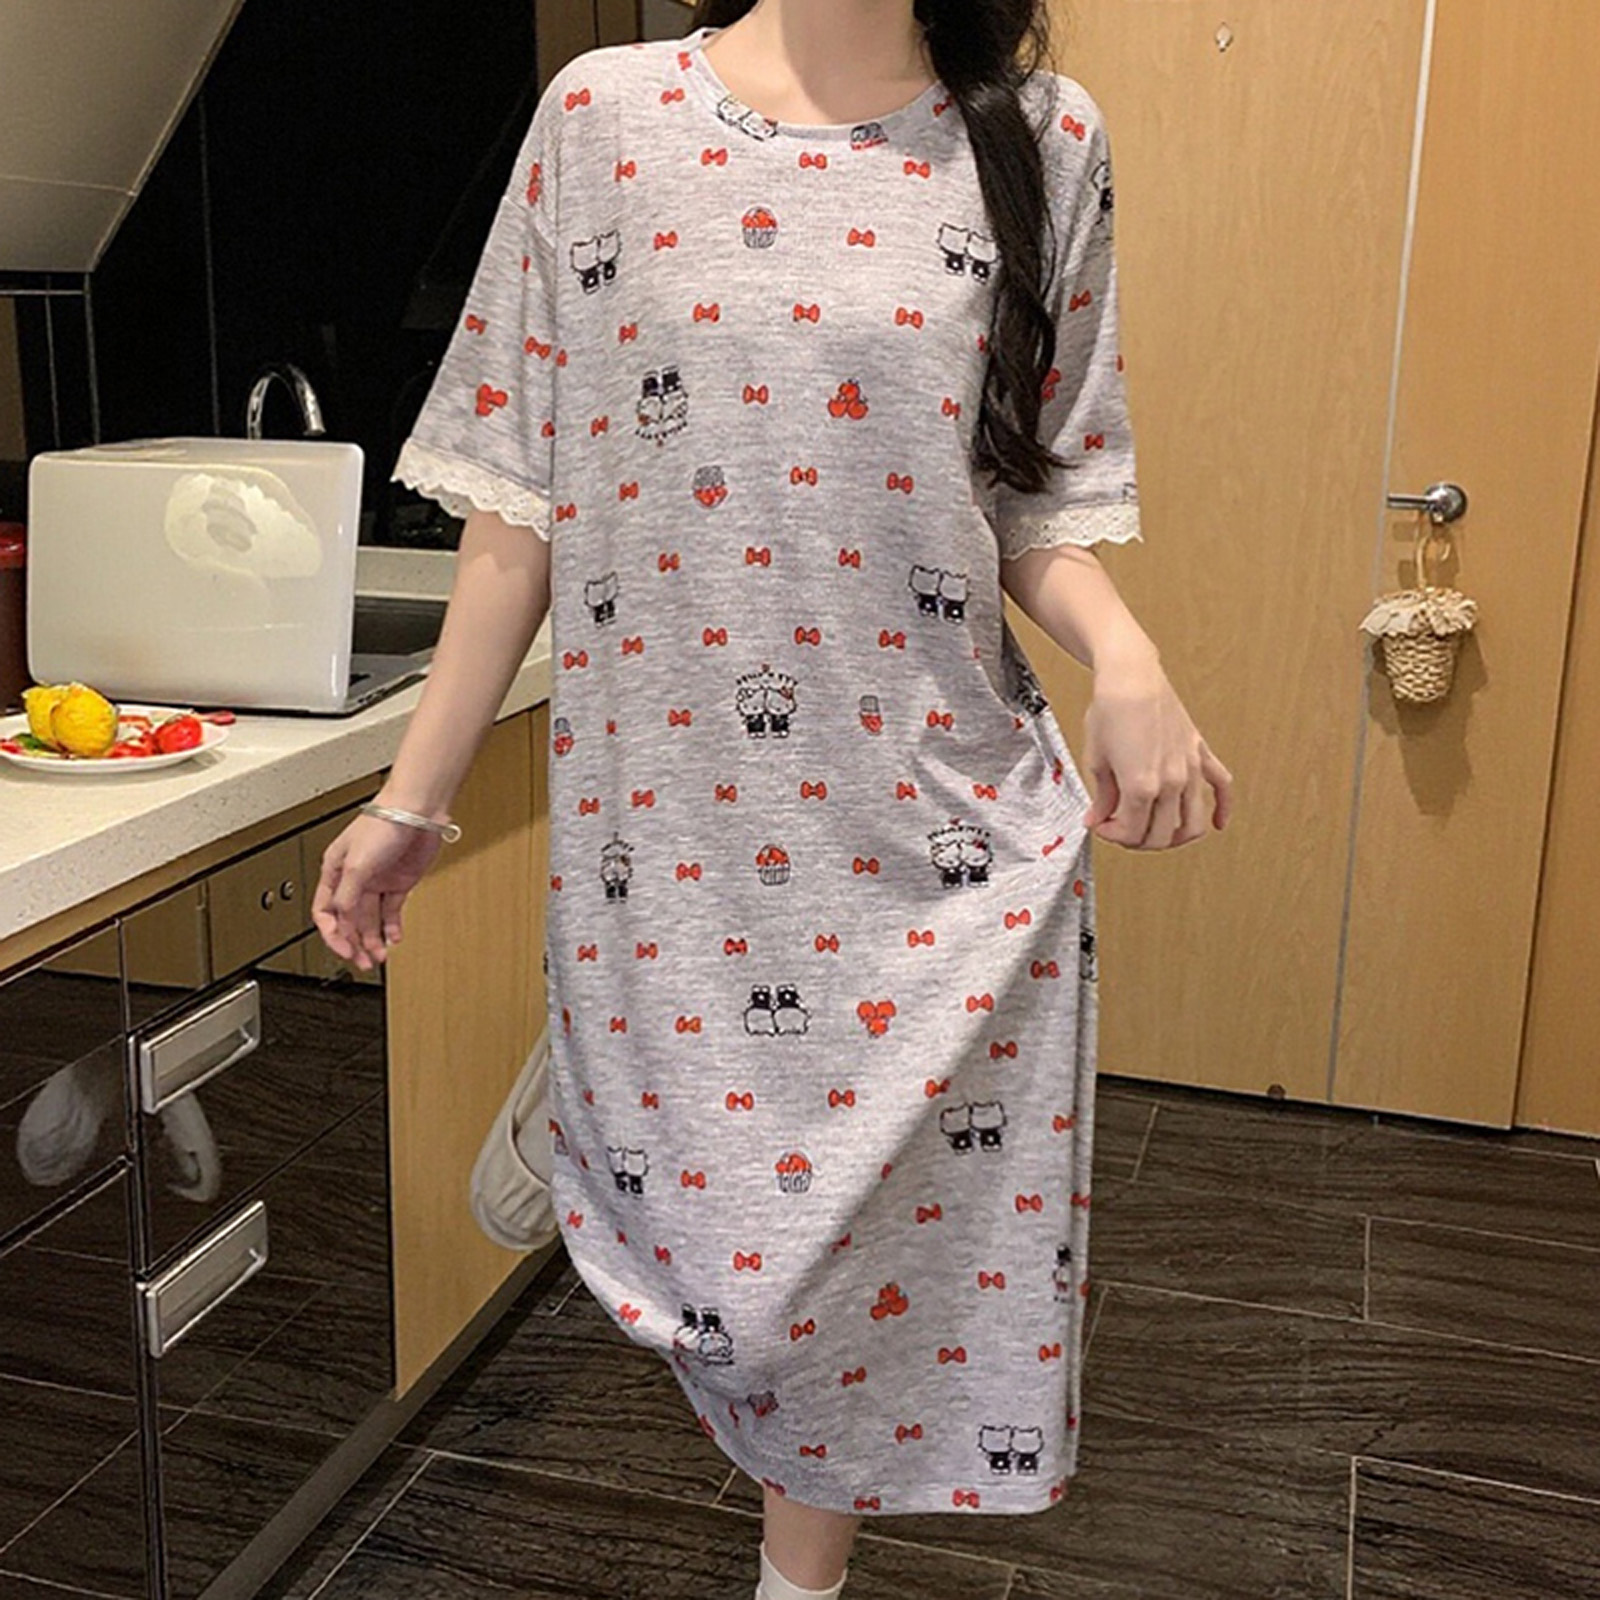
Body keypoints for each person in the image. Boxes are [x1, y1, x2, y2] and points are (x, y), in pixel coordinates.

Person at [313, 2, 1233, 1596]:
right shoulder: (604, 119)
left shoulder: (1042, 140)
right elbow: (518, 506)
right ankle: (595, 1120)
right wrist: (416, 799)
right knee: (740, 1280)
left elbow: (1033, 498)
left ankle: (795, 1580)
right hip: (673, 831)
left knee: (859, 1263)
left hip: (928, 825)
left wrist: (1129, 657)